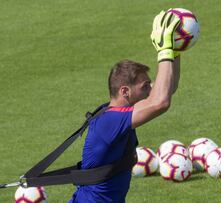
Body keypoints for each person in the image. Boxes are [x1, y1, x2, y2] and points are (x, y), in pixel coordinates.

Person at [69, 10, 181, 203]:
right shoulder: (111, 120)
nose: (151, 89)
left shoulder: (115, 114)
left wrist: (175, 51)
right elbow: (160, 102)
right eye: (145, 86)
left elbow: (167, 90)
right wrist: (164, 51)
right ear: (125, 91)